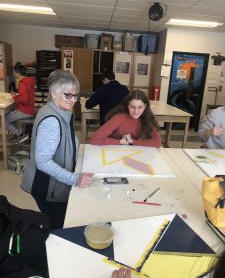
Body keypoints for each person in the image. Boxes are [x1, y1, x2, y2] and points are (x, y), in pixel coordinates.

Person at [21, 70, 92, 229]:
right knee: (59, 227)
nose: (73, 100)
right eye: (68, 95)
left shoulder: (57, 111)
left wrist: (80, 151)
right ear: (54, 94)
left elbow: (67, 137)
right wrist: (75, 179)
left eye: (76, 95)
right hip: (48, 188)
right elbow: (43, 162)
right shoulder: (52, 120)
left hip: (53, 185)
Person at [89, 89, 161, 147]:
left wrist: (132, 142)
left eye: (140, 107)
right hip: (114, 152)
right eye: (132, 107)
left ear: (145, 106)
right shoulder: (119, 118)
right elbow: (94, 139)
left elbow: (157, 143)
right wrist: (121, 142)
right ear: (127, 105)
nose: (136, 111)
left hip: (135, 154)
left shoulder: (148, 118)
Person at [5, 62, 35, 139]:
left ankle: (20, 134)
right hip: (30, 110)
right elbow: (26, 96)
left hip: (25, 111)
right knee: (9, 116)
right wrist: (17, 95)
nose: (14, 74)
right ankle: (16, 134)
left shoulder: (23, 84)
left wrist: (15, 96)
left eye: (14, 73)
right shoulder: (29, 81)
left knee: (3, 121)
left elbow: (24, 100)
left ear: (17, 74)